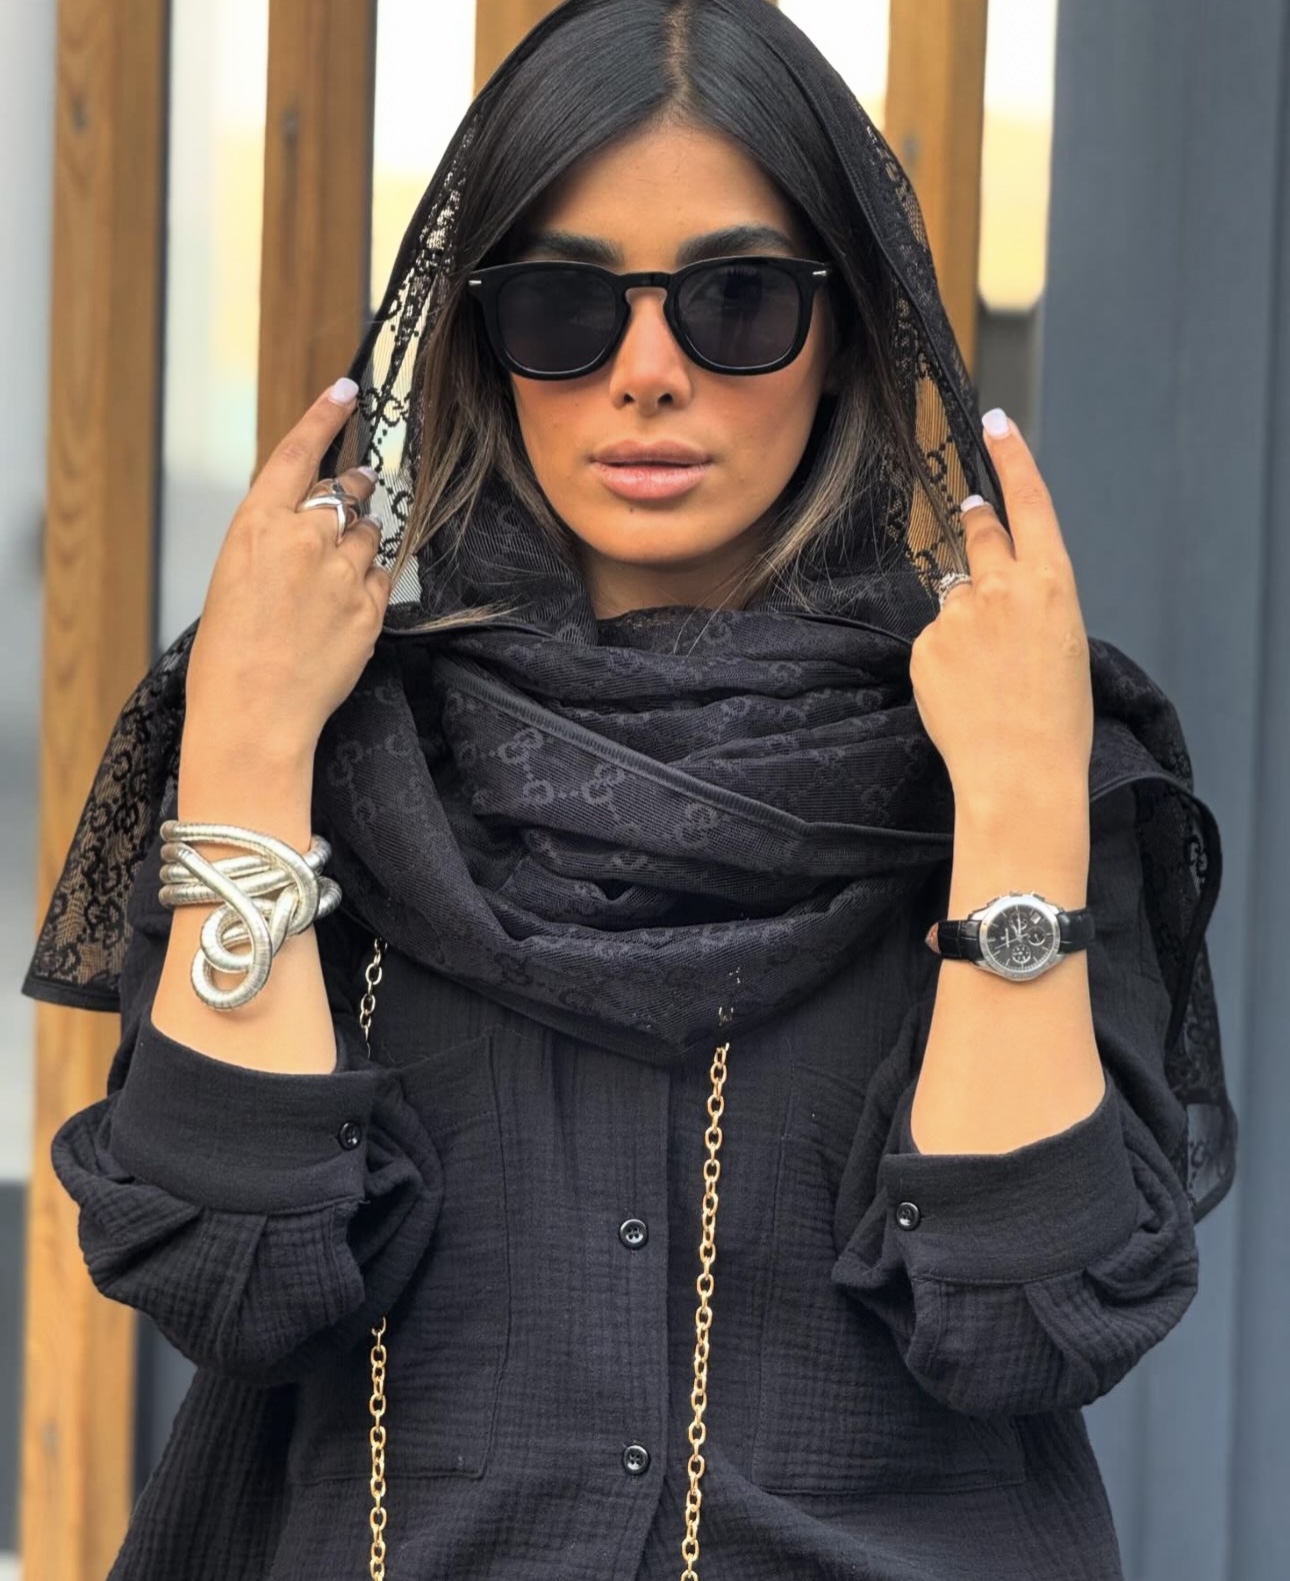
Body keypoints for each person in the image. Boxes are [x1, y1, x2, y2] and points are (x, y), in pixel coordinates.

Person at [22, 1, 1236, 1577]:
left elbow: (1026, 1321)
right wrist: (251, 751)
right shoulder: (334, 750)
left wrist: (1009, 805)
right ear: (481, 343)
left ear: (844, 334)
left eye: (736, 300)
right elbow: (225, 1274)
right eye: (561, 307)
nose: (647, 374)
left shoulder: (1011, 754)